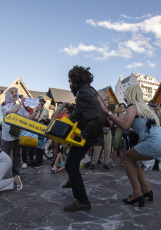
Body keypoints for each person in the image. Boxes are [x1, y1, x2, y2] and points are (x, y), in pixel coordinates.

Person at [97, 85, 161, 207]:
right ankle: (146, 190)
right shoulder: (145, 108)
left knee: (126, 157)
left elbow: (125, 125)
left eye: (126, 92)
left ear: (130, 94)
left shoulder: (132, 106)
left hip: (154, 142)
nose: (124, 95)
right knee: (133, 160)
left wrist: (107, 112)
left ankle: (137, 193)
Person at [63, 65, 106, 212]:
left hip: (87, 135)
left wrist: (84, 134)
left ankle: (83, 201)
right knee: (72, 162)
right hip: (89, 133)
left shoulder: (83, 93)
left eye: (70, 81)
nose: (69, 84)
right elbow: (87, 112)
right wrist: (72, 110)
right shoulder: (89, 90)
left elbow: (97, 117)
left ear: (75, 81)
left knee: (70, 165)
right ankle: (72, 182)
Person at [1, 88, 38, 177]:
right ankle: (2, 173)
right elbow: (12, 113)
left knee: (17, 155)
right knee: (5, 154)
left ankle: (16, 174)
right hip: (7, 134)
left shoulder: (21, 108)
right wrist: (21, 103)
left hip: (17, 134)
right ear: (8, 95)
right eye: (12, 92)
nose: (14, 94)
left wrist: (37, 110)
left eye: (16, 92)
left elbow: (29, 117)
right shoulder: (4, 107)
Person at [90, 97, 113, 170]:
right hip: (100, 131)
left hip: (108, 131)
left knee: (108, 149)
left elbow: (112, 125)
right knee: (97, 148)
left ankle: (106, 164)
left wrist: (109, 120)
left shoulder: (110, 112)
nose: (106, 103)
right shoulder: (99, 111)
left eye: (107, 102)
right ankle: (93, 164)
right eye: (104, 102)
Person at [111, 103, 126, 167]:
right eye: (120, 107)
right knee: (115, 148)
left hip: (123, 132)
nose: (122, 108)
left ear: (125, 109)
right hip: (117, 131)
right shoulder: (116, 114)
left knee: (121, 149)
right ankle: (114, 162)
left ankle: (121, 162)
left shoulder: (126, 115)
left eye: (123, 107)